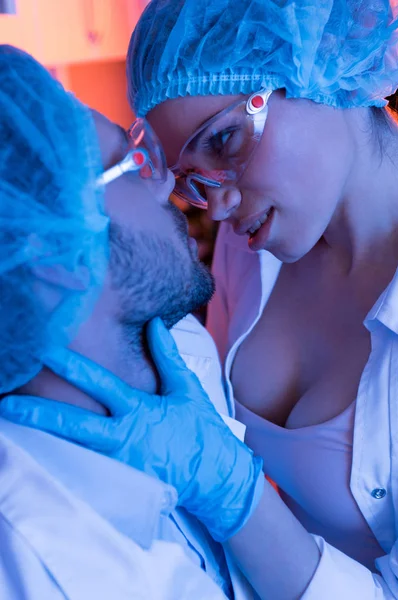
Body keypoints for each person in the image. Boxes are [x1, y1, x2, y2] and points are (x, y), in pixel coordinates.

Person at [4, 0, 398, 597]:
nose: (209, 204)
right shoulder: (253, 247)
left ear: (320, 66)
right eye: (187, 175)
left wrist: (233, 493)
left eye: (222, 141)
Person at [0, 44, 252, 600]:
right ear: (49, 255)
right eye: (130, 163)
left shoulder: (178, 349)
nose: (169, 187)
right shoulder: (45, 562)